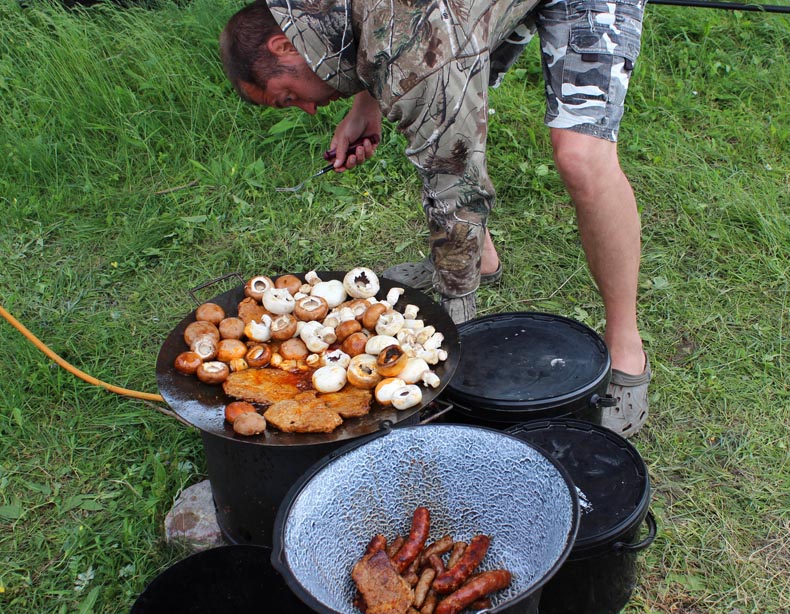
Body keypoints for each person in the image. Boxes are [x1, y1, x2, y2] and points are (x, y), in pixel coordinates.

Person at [219, 0, 650, 436]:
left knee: (580, 157)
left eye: (289, 97)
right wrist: (366, 103)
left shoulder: (412, 51)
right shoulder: (318, 14)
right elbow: (366, 29)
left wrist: (450, 336)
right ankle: (480, 261)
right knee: (432, 103)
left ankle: (628, 352)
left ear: (283, 46)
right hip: (434, 22)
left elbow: (456, 187)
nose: (308, 110)